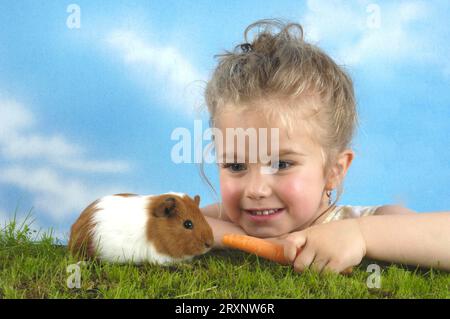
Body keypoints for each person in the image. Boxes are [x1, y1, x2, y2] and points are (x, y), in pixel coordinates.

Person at [199, 19, 450, 273]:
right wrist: (244, 240)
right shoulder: (234, 217)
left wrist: (361, 235)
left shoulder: (368, 220)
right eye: (236, 165)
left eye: (281, 164)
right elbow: (163, 218)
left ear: (334, 171)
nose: (255, 190)